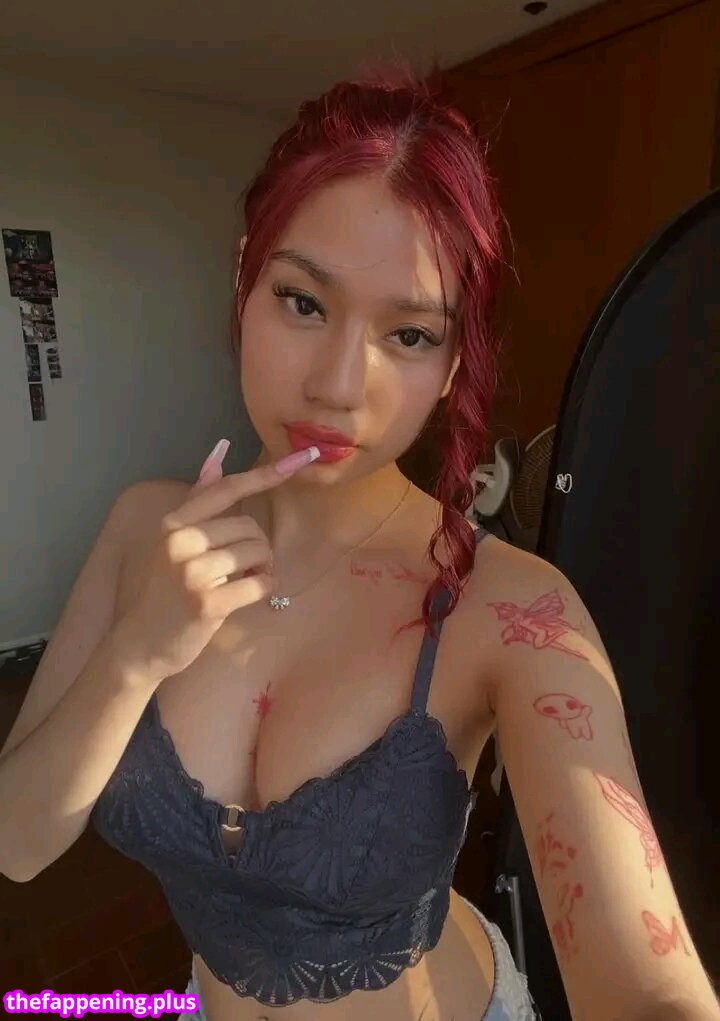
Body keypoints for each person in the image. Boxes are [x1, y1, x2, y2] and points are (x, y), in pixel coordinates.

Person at [1, 63, 717, 1021]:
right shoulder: (146, 529)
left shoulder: (505, 604)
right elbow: (19, 843)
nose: (338, 386)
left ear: (453, 362)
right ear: (245, 279)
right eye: (303, 301)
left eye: (409, 335)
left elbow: (648, 991)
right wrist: (136, 653)